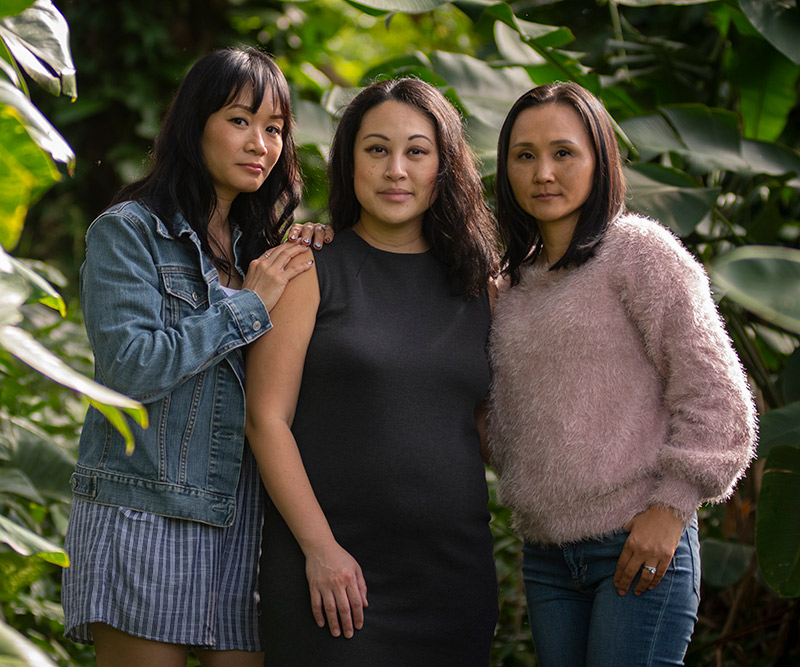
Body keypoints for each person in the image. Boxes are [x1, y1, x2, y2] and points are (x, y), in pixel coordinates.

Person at [61, 47, 330, 667]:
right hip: (144, 511)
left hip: (244, 525)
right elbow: (129, 367)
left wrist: (316, 247)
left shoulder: (263, 248)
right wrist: (246, 305)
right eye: (239, 120)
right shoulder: (128, 231)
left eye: (274, 128)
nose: (259, 143)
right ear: (194, 123)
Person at [487, 81, 757, 666]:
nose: (543, 173)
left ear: (599, 159)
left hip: (636, 541)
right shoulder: (511, 285)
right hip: (548, 556)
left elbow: (719, 396)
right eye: (524, 155)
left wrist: (672, 507)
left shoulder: (637, 251)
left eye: (564, 153)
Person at [245, 77, 499, 666]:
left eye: (417, 151)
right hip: (332, 578)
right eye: (376, 149)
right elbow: (266, 420)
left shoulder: (481, 289)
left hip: (452, 580)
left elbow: (491, 432)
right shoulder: (308, 270)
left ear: (445, 166)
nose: (396, 171)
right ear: (349, 162)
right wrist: (320, 548)